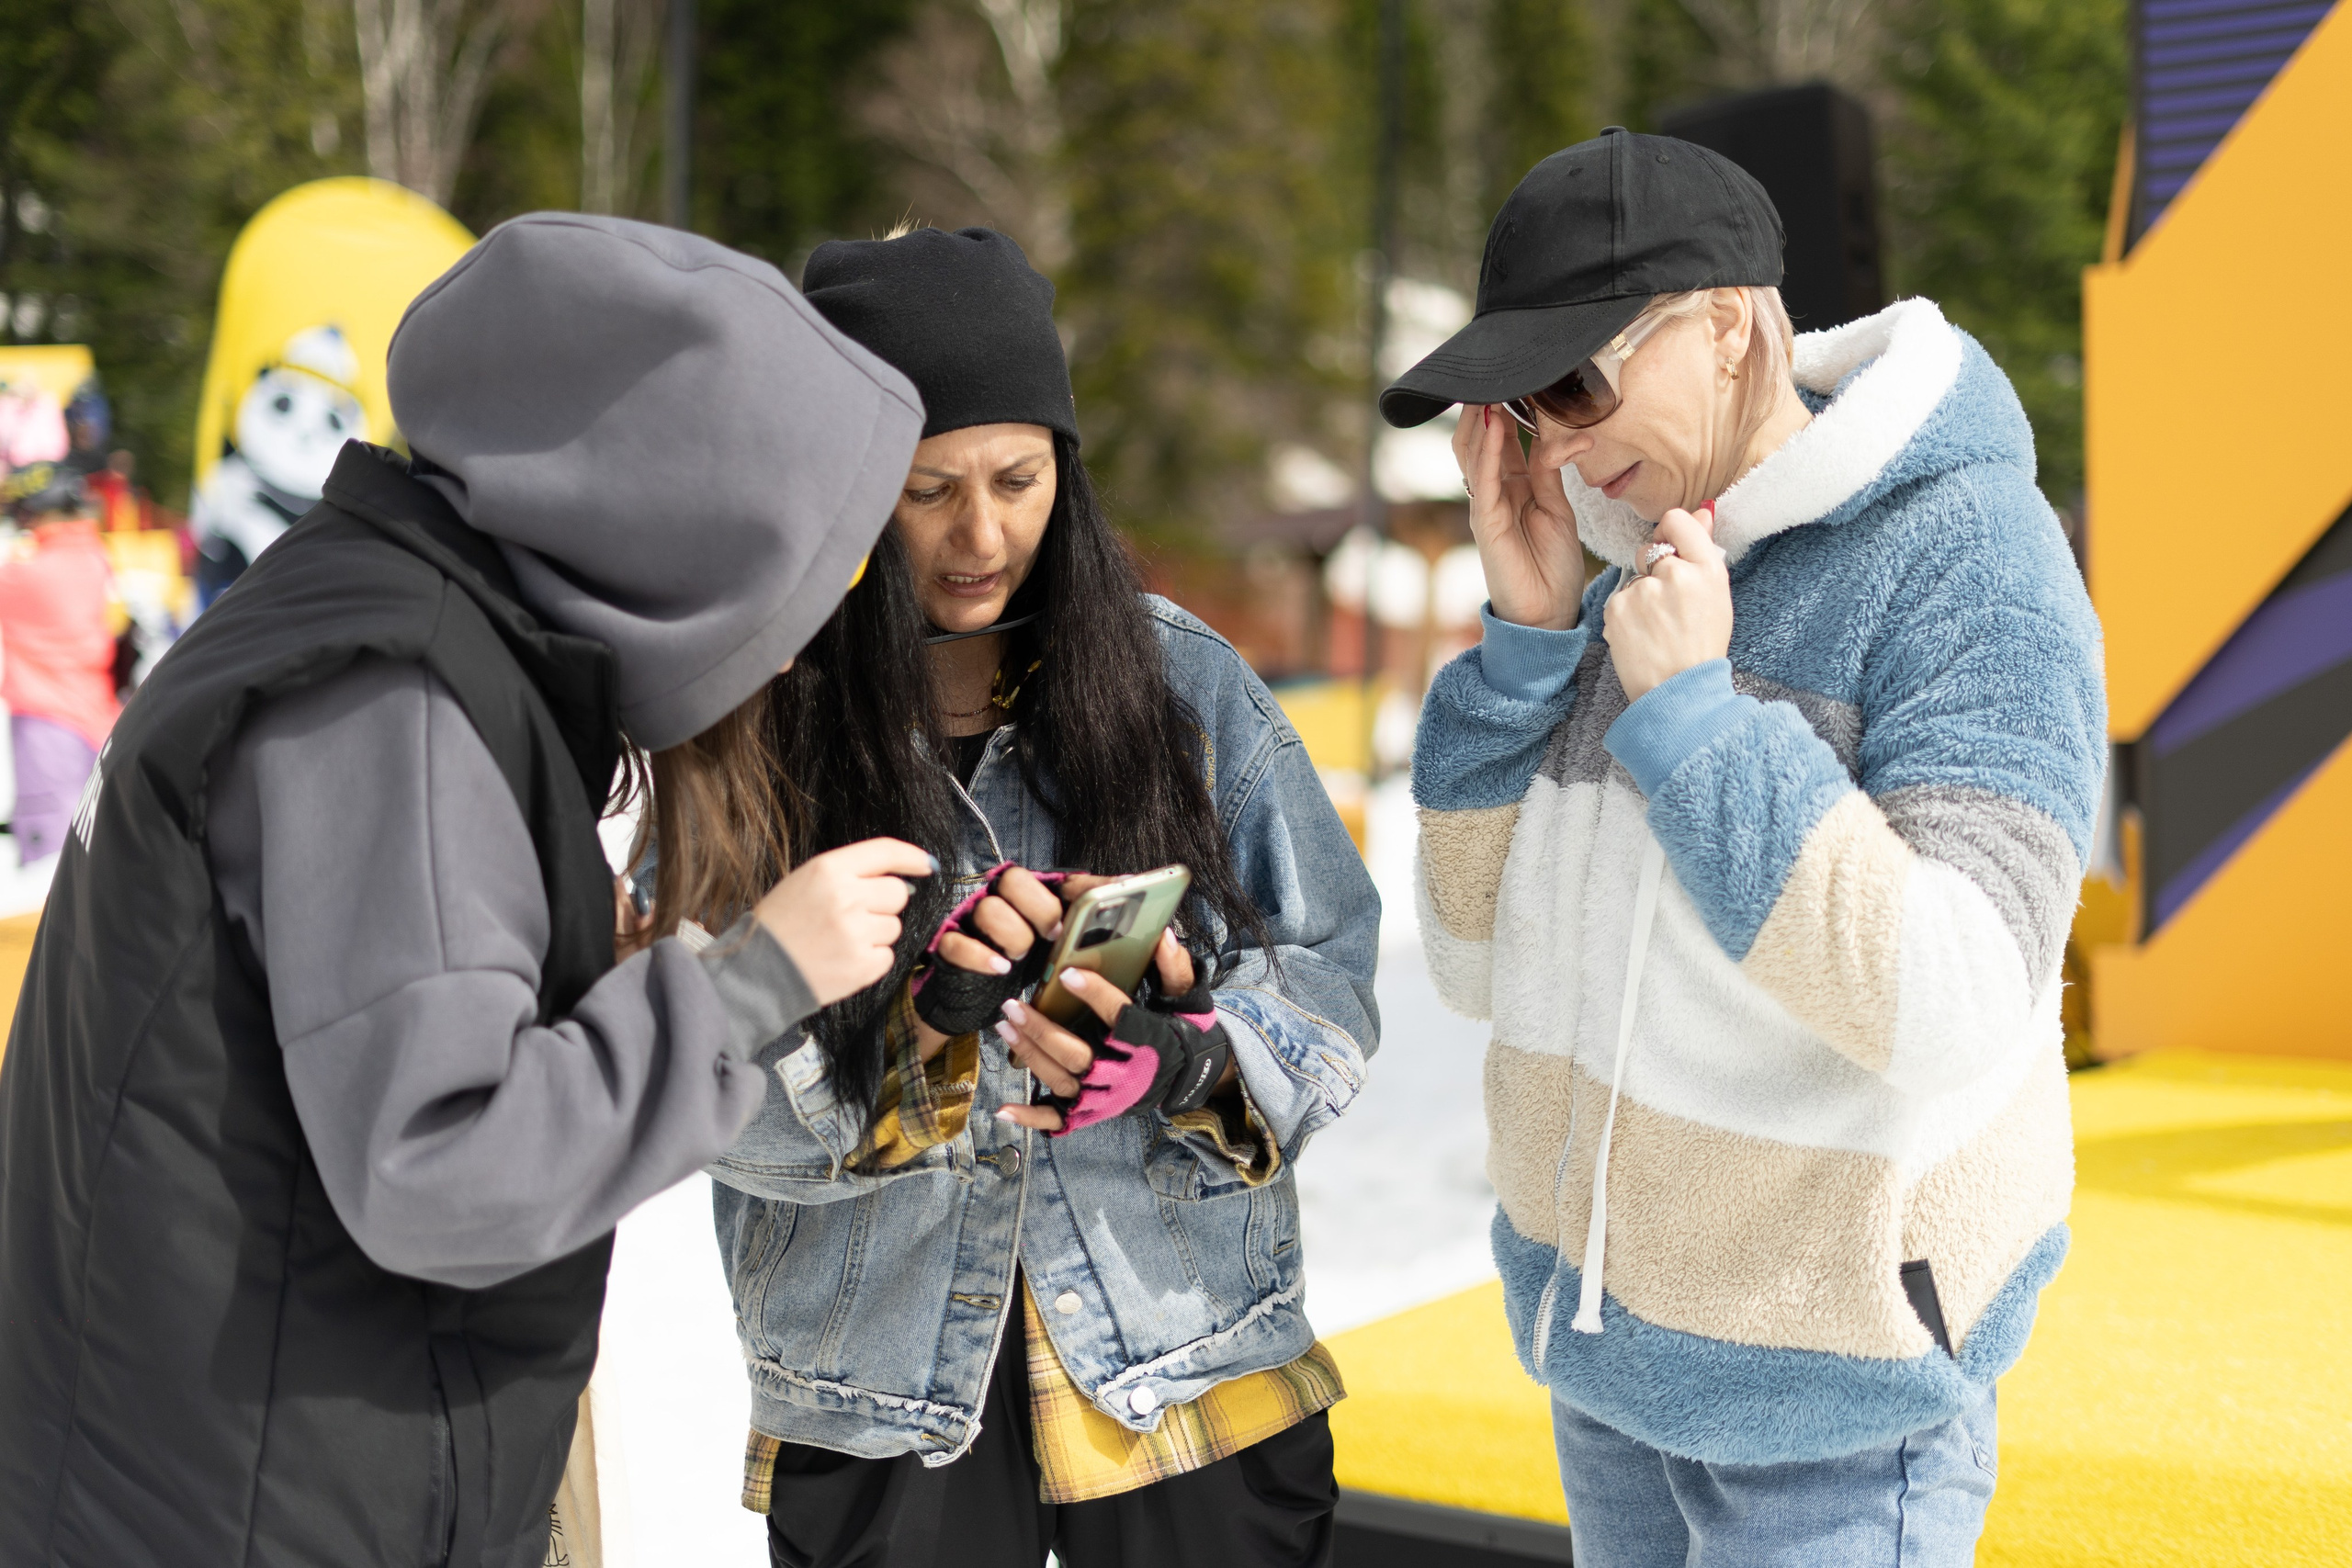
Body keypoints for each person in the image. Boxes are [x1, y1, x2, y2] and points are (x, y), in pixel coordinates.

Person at [0, 214, 933, 1568]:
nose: (788, 654)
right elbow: (440, 1165)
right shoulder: (400, 701)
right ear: (664, 525)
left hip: (211, 1469)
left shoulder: (352, 619)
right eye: (776, 578)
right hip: (265, 1501)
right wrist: (755, 985)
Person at [1386, 130, 2104, 1566]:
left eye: (1579, 380)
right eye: (1528, 405)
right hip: (1610, 1373)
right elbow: (1472, 967)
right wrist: (1527, 655)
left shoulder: (1975, 561)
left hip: (1837, 1405)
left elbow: (1958, 999)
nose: (1563, 440)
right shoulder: (1631, 568)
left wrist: (1702, 732)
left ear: (1728, 322)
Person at [665, 227, 1380, 1568]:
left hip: (1191, 1353)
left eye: (1018, 476)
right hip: (878, 1388)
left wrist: (1188, 1061)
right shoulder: (750, 725)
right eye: (928, 488)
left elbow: (1330, 973)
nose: (981, 533)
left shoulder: (1186, 688)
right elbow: (675, 1076)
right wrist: (917, 1041)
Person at [0, 476, 119, 864]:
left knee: (49, 864)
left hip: (45, 729)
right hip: (96, 719)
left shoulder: (25, 573)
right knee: (91, 853)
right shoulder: (97, 559)